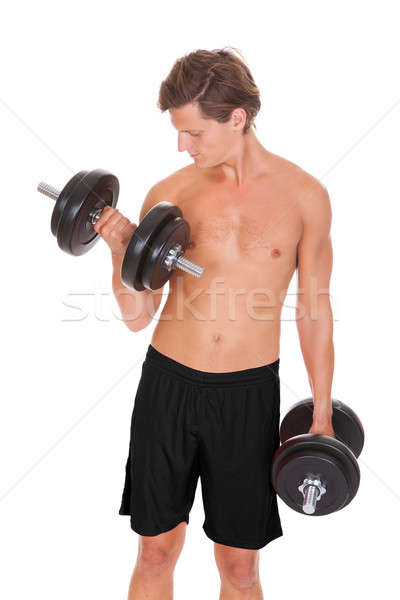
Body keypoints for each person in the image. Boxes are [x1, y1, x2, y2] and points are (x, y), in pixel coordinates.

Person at [94, 47, 335, 600]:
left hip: (247, 397)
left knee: (240, 567)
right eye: (180, 133)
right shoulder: (170, 194)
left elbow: (314, 309)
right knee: (156, 549)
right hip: (168, 385)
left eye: (195, 133)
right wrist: (118, 254)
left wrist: (321, 411)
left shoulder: (305, 198)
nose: (182, 145)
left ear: (237, 119)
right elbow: (136, 318)